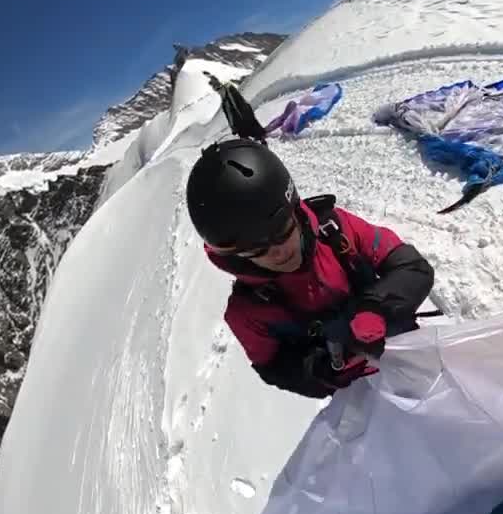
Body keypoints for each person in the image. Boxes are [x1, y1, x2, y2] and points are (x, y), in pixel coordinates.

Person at [185, 137, 435, 398]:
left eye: (282, 231)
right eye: (256, 249)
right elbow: (275, 369)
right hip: (359, 393)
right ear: (236, 256)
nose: (278, 252)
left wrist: (375, 308)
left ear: (295, 210)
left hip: (410, 351)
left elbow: (412, 267)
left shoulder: (336, 230)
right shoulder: (247, 314)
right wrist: (323, 370)